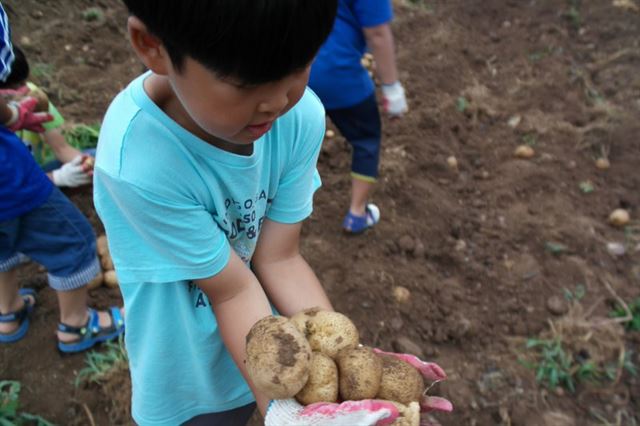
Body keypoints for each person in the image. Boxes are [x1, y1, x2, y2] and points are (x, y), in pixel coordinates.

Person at [94, 1, 450, 425]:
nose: (277, 102)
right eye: (246, 84)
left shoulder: (299, 116)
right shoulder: (137, 164)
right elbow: (231, 289)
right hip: (187, 374)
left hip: (276, 353)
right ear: (151, 46)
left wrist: (339, 373)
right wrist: (283, 410)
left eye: (300, 67)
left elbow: (279, 257)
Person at [0, 2, 124, 353]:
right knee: (74, 244)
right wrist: (58, 179)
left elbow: (66, 150)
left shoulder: (33, 106)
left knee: (3, 249)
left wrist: (79, 167)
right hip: (11, 187)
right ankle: (77, 325)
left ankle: (7, 313)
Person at [308, 0, 408, 233]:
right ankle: (357, 213)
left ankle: (270, 212)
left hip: (294, 71)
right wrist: (392, 89)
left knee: (285, 142)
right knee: (366, 141)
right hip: (340, 76)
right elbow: (378, 33)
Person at [0, 45, 94, 188]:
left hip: (35, 174)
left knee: (96, 157)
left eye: (24, 82)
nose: (25, 90)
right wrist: (57, 178)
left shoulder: (33, 97)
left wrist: (88, 165)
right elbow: (7, 187)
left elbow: (61, 148)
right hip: (10, 193)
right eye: (17, 86)